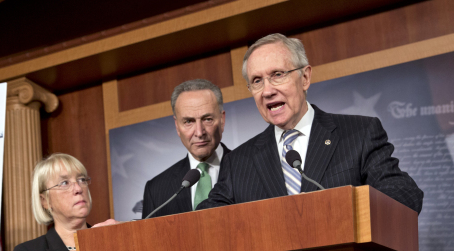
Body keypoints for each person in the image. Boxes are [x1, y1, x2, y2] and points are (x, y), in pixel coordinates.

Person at [197, 33, 423, 213]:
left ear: (304, 78)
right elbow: (205, 220)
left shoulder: (360, 133)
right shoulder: (238, 162)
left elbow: (403, 195)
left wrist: (339, 211)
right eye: (257, 81)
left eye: (277, 74)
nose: (267, 91)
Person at [142, 79, 232, 218]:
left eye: (207, 119)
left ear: (222, 120)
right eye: (188, 122)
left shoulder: (248, 168)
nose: (199, 132)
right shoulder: (156, 190)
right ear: (177, 126)